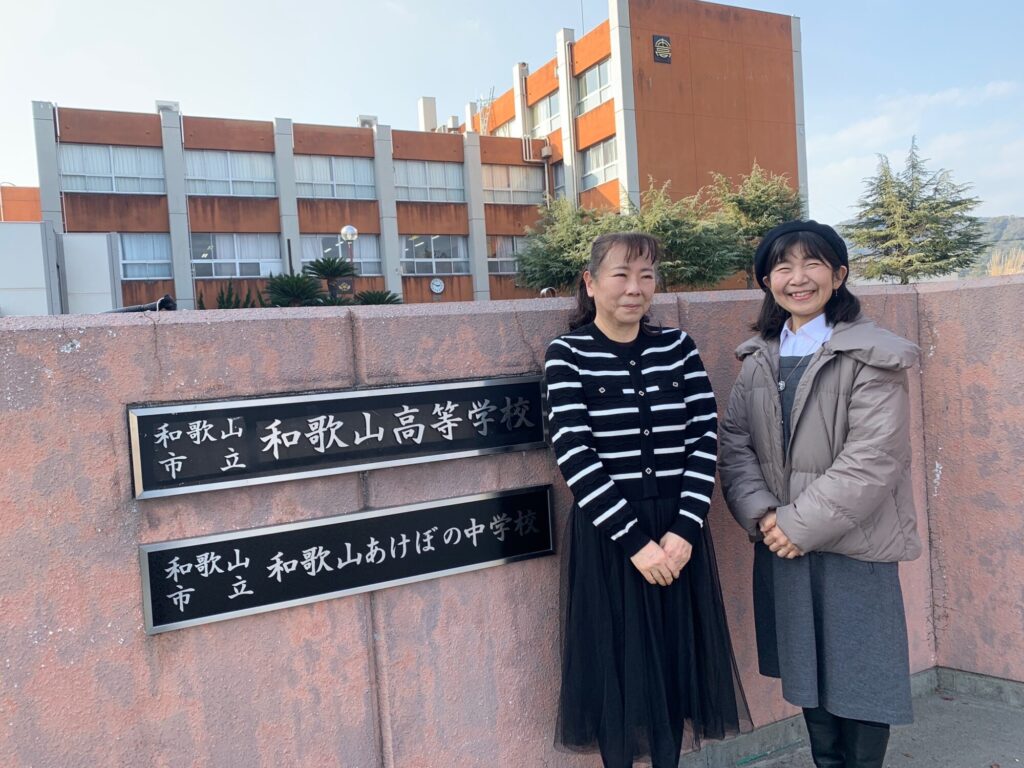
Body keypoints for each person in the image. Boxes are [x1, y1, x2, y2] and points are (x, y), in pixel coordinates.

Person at [719, 220, 922, 768]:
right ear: (766, 281)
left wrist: (794, 527)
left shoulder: (871, 353)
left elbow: (874, 457)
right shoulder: (759, 357)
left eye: (813, 263)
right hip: (782, 544)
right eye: (783, 266)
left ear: (839, 274)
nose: (798, 278)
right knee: (808, 679)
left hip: (854, 547)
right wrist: (764, 515)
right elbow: (735, 443)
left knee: (863, 683)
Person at [545, 232, 750, 768]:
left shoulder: (678, 348)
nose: (634, 288)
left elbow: (705, 437)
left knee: (675, 670)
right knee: (616, 674)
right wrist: (638, 544)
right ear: (591, 283)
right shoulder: (568, 354)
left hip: (678, 531)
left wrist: (685, 530)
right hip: (612, 536)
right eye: (620, 274)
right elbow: (575, 454)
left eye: (646, 276)